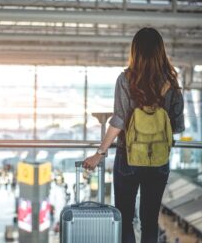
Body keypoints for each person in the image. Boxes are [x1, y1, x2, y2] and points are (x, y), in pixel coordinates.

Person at [83, 27, 185, 243]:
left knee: (125, 218)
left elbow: (118, 121)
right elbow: (176, 126)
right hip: (158, 160)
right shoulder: (172, 83)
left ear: (135, 51)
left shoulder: (126, 79)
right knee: (149, 222)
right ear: (160, 51)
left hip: (128, 157)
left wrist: (99, 154)